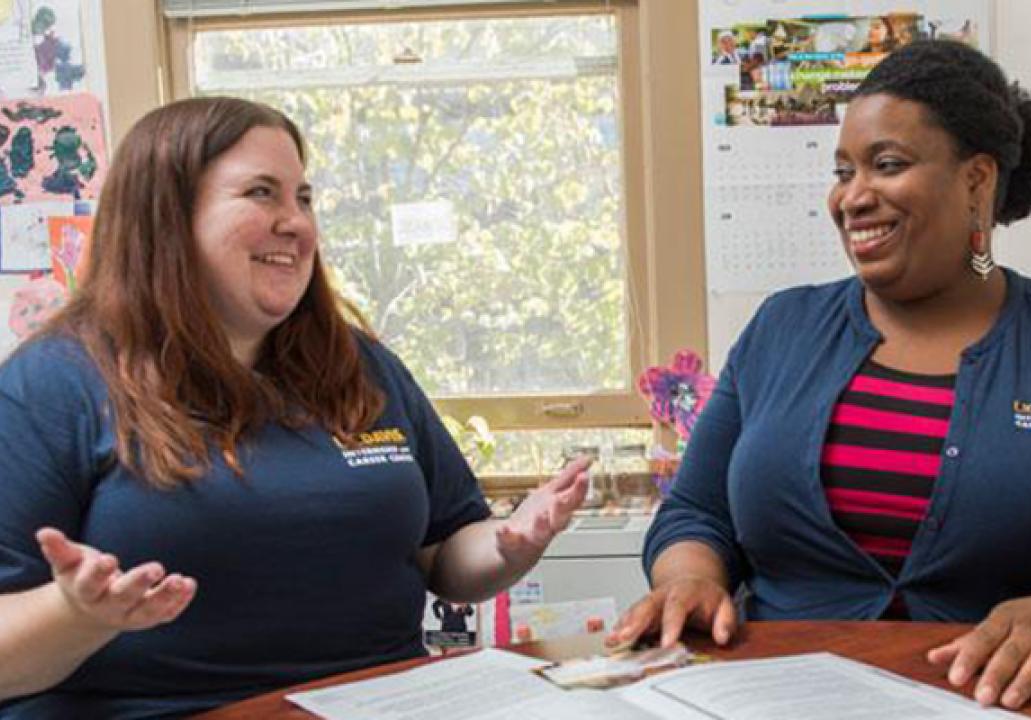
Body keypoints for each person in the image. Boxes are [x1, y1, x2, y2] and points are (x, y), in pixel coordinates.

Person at [608, 40, 1031, 712]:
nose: (853, 197)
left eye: (888, 165)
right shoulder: (780, 330)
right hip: (776, 700)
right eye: (843, 171)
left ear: (976, 181)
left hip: (1001, 700)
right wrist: (691, 577)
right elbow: (697, 512)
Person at [0, 96, 591, 718]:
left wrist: (510, 545)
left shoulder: (360, 366)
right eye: (262, 193)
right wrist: (76, 616)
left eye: (303, 199)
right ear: (166, 217)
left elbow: (446, 555)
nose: (297, 224)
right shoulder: (52, 384)